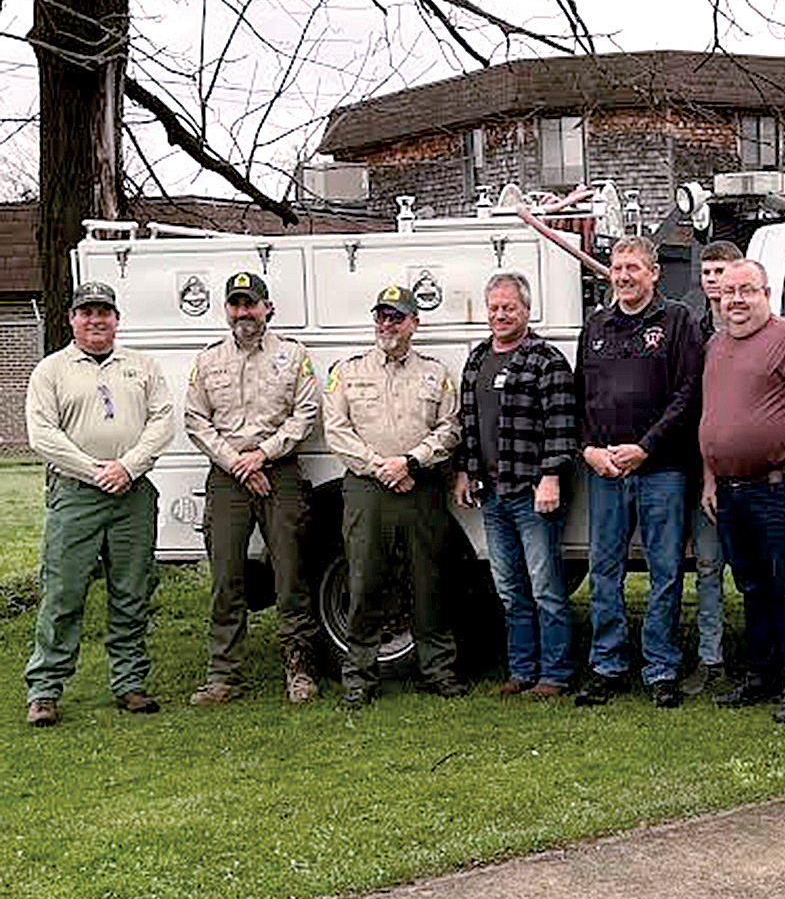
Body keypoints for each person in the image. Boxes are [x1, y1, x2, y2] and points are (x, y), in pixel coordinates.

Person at [23, 281, 174, 726]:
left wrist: (127, 467)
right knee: (63, 591)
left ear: (116, 319)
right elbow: (42, 435)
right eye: (86, 312)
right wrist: (96, 470)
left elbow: (162, 422)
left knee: (132, 592)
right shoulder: (51, 371)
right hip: (75, 495)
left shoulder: (142, 367)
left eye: (103, 312)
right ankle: (45, 689)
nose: (95, 320)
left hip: (132, 494)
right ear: (71, 319)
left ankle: (129, 684)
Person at [573, 235, 704, 709]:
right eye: (617, 267)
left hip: (661, 468)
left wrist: (646, 447)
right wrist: (588, 449)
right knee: (603, 570)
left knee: (664, 571)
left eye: (633, 268)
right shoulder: (596, 326)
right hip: (605, 471)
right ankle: (607, 666)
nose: (623, 276)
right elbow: (580, 398)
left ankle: (661, 668)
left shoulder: (677, 322)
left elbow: (688, 395)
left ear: (654, 274)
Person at [700, 258, 785, 723]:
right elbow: (712, 415)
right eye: (728, 291)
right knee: (752, 587)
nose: (736, 299)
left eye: (746, 290)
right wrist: (710, 478)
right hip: (731, 491)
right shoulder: (716, 345)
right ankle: (762, 675)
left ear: (766, 293)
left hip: (778, 487)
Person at [183, 272, 323, 706]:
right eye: (236, 304)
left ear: (268, 307)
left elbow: (306, 413)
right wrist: (237, 463)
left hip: (278, 473)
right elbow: (195, 420)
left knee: (291, 574)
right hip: (227, 479)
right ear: (226, 310)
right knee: (227, 578)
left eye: (251, 304)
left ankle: (300, 672)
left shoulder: (293, 356)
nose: (244, 312)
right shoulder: (208, 361)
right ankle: (224, 677)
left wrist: (261, 455)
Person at [321, 284, 464, 706]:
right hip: (368, 488)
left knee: (428, 580)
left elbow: (450, 427)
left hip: (420, 487)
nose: (387, 324)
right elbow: (337, 430)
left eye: (397, 317)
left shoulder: (435, 374)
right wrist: (381, 467)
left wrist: (411, 462)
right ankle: (359, 675)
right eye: (381, 316)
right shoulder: (347, 371)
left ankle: (437, 670)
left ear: (414, 324)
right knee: (365, 580)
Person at [454, 271, 578, 697]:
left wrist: (551, 477)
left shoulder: (546, 359)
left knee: (545, 586)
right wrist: (463, 471)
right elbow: (466, 424)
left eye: (509, 307)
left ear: (527, 310)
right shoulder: (476, 360)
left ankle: (555, 675)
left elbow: (562, 426)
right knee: (509, 590)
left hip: (532, 492)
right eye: (494, 308)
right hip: (491, 493)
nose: (500, 315)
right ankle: (522, 671)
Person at [683, 240, 743, 695]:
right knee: (707, 567)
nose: (713, 280)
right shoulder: (689, 328)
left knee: (758, 569)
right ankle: (711, 657)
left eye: (720, 271)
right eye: (706, 272)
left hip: (754, 471)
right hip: (702, 466)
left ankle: (766, 653)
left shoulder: (762, 326)